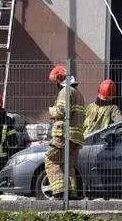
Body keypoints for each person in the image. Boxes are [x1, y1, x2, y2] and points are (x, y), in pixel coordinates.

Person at [45, 65, 86, 199]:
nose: (55, 85)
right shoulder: (78, 93)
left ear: (60, 79)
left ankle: (60, 192)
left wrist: (51, 110)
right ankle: (71, 193)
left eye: (56, 82)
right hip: (75, 137)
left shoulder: (65, 91)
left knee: (52, 160)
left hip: (64, 135)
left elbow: (62, 111)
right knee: (68, 164)